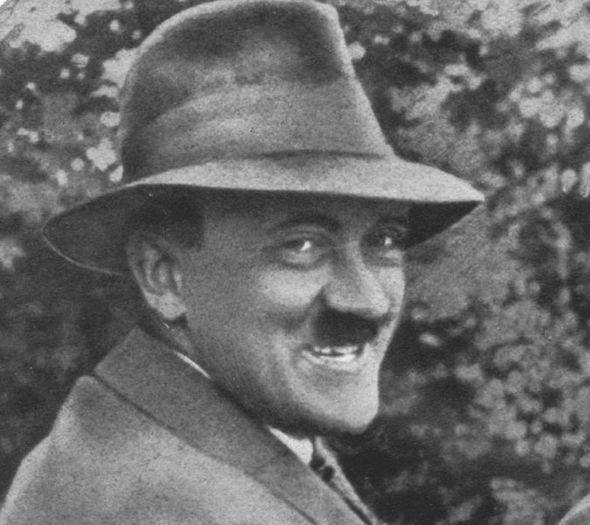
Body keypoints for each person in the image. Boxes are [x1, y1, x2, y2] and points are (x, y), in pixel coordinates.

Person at [0, 0, 483, 523]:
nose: (367, 301)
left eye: (384, 240)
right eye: (302, 246)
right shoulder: (173, 498)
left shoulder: (161, 439)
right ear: (163, 276)